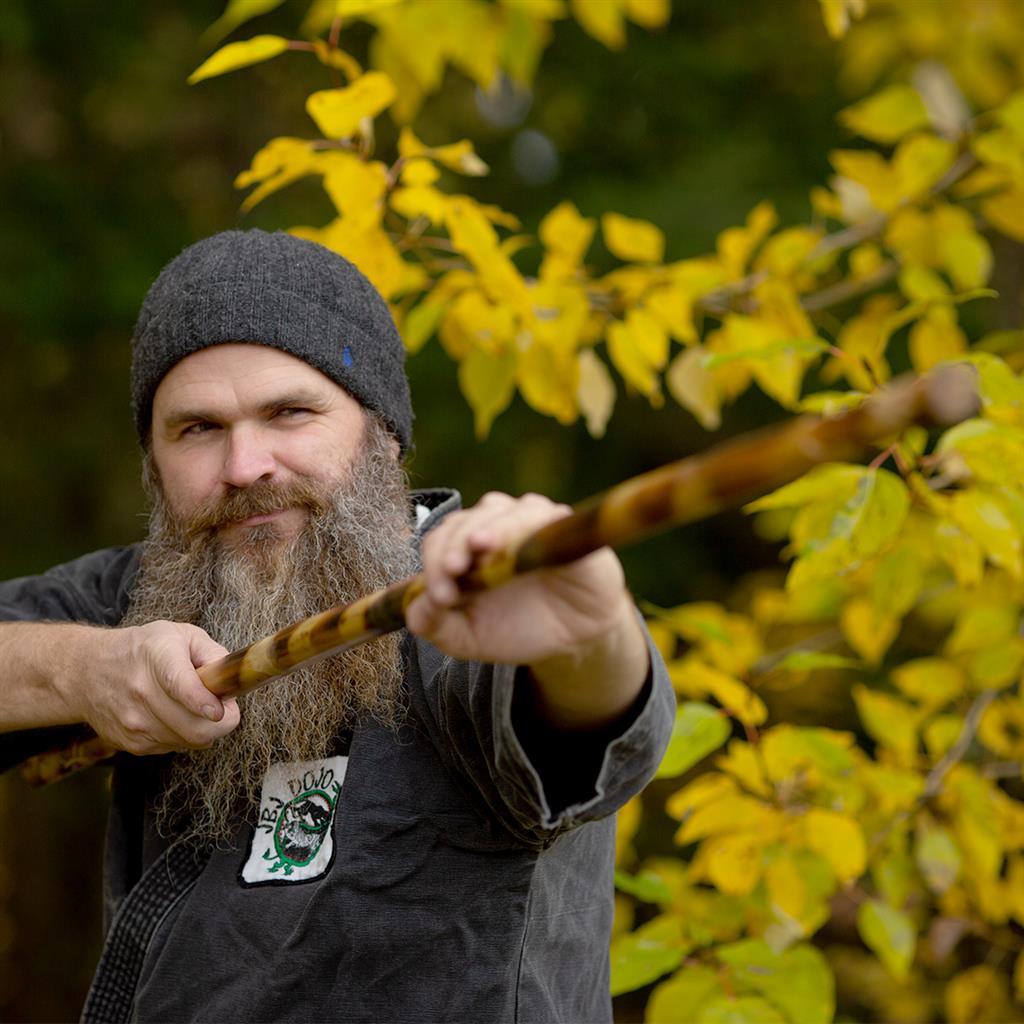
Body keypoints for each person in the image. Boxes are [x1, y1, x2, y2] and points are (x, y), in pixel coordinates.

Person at [0, 229, 674, 1023]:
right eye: (198, 428)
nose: (245, 464)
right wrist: (84, 669)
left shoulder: (465, 604)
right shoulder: (156, 589)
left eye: (290, 412)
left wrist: (586, 632)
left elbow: (597, 721)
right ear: (152, 460)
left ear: (381, 434)